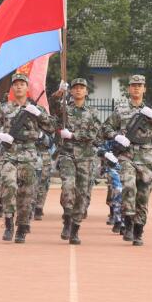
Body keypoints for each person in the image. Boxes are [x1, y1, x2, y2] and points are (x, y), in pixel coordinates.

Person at [102, 74, 152, 246]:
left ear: (144, 89)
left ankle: (138, 229)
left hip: (147, 157)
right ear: (129, 88)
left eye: (139, 85)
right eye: (133, 85)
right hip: (126, 155)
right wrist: (117, 137)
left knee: (143, 195)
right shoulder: (120, 110)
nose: (136, 88)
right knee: (128, 186)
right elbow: (105, 128)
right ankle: (127, 222)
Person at [0, 73, 54, 243]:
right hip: (9, 154)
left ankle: (22, 227)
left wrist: (39, 115)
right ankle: (9, 223)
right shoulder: (4, 108)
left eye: (22, 84)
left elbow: (52, 127)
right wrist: (0, 135)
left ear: (27, 88)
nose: (19, 86)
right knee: (9, 186)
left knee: (26, 194)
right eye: (16, 84)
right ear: (12, 88)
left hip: (29, 155)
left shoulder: (36, 109)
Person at [50, 77, 101, 245]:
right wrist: (58, 94)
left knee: (83, 194)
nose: (78, 90)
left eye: (82, 87)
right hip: (67, 155)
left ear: (86, 91)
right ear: (71, 91)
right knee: (67, 186)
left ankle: (75, 227)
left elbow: (95, 134)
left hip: (86, 157)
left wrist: (73, 135)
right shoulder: (64, 109)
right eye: (75, 88)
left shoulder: (92, 112)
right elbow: (52, 108)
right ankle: (67, 218)